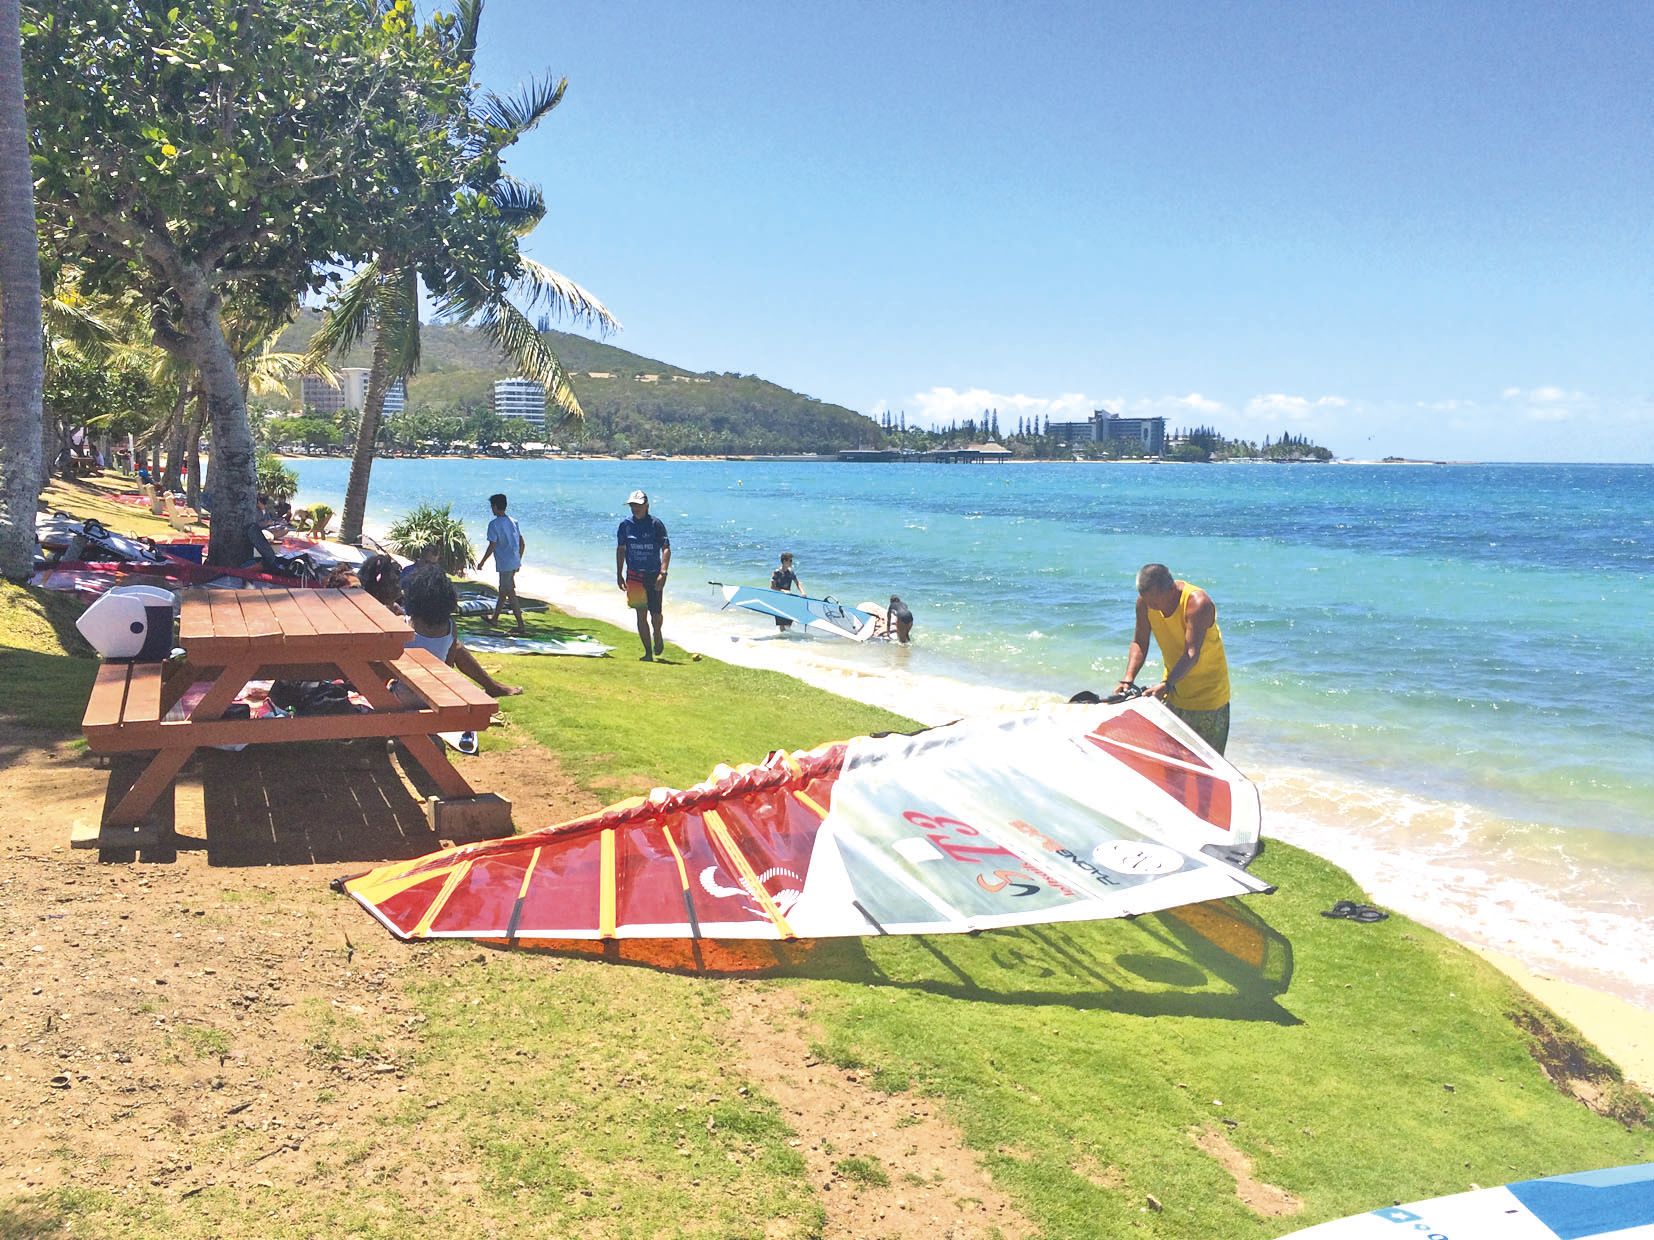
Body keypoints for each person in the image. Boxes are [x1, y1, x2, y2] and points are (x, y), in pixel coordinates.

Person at [1115, 562, 1231, 754]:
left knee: (1206, 775)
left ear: (1171, 589)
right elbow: (1140, 642)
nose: (1153, 608)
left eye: (1156, 603)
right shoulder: (1145, 603)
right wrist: (1128, 678)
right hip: (1174, 693)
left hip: (1209, 700)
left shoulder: (1197, 603)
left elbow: (1191, 654)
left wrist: (1166, 684)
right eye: (1148, 603)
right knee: (1170, 766)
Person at [401, 564, 521, 698]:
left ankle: (493, 686)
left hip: (405, 694)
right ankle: (492, 686)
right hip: (436, 693)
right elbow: (448, 667)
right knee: (456, 646)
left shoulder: (403, 624)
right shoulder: (450, 627)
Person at [615, 489, 670, 660]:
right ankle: (647, 652)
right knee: (640, 613)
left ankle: (658, 633)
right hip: (634, 575)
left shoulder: (656, 524)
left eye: (638, 505)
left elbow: (666, 548)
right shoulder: (625, 525)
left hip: (654, 574)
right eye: (632, 505)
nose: (635, 508)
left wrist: (663, 572)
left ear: (646, 505)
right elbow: (621, 550)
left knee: (655, 615)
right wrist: (619, 574)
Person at [475, 494, 526, 633]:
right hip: (513, 561)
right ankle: (495, 619)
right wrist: (518, 559)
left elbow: (492, 545)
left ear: (496, 507)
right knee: (503, 591)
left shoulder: (494, 524)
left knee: (510, 592)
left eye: (492, 506)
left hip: (505, 563)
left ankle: (521, 625)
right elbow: (522, 543)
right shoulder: (513, 521)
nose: (491, 509)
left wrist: (482, 562)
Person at [769, 552, 804, 629]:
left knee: (789, 621)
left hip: (788, 599)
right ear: (784, 561)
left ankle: (787, 639)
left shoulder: (790, 572)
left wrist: (803, 592)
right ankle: (781, 638)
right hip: (778, 599)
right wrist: (782, 590)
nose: (791, 562)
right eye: (790, 560)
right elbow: (772, 587)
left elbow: (797, 583)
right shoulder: (776, 572)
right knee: (782, 624)